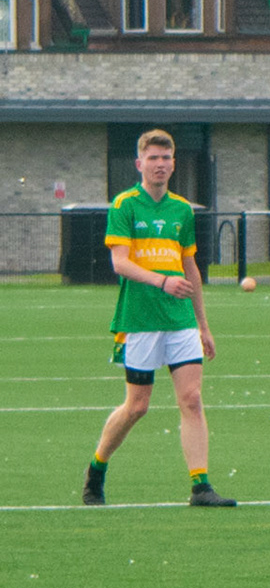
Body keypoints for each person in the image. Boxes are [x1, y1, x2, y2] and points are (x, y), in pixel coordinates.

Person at [83, 129, 236, 508]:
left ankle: (200, 486)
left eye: (166, 158)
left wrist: (203, 325)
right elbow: (120, 263)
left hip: (180, 320)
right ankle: (97, 467)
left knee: (192, 399)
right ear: (139, 163)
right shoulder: (125, 205)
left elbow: (190, 267)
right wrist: (162, 281)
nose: (160, 164)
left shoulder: (182, 209)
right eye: (153, 158)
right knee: (137, 406)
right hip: (139, 319)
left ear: (173, 164)